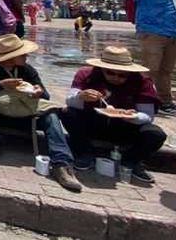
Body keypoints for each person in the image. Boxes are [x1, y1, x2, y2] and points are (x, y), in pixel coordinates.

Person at [0, 34, 82, 192]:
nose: (26, 56)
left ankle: (62, 164)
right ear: (11, 57)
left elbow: (45, 95)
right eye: (23, 54)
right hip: (0, 115)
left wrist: (38, 91)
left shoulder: (27, 70)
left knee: (51, 115)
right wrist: (0, 85)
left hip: (27, 115)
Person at [62, 46, 166, 184]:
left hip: (126, 127)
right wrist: (81, 97)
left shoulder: (143, 82)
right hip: (93, 122)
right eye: (110, 73)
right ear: (102, 69)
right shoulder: (85, 74)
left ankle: (130, 161)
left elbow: (148, 116)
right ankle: (84, 153)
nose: (116, 78)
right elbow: (70, 101)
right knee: (67, 113)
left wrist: (133, 116)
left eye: (122, 75)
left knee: (156, 134)